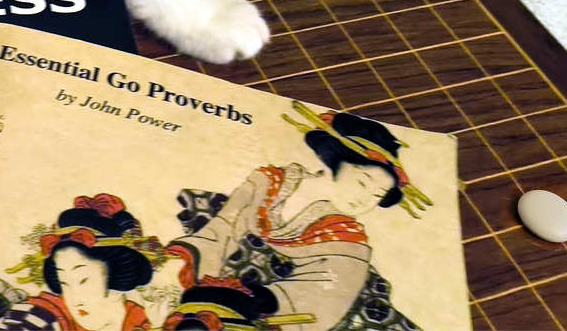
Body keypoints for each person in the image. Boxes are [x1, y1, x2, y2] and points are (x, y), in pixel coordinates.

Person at [167, 105, 430, 331]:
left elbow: (330, 288)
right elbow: (222, 227)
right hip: (234, 286)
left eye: (377, 195)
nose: (365, 201)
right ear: (335, 161)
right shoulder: (270, 181)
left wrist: (269, 299)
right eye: (363, 183)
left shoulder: (345, 234)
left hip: (298, 305)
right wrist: (208, 284)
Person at [0, 194, 162, 331]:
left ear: (112, 273)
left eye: (83, 280)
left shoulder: (137, 318)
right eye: (64, 283)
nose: (74, 299)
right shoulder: (37, 317)